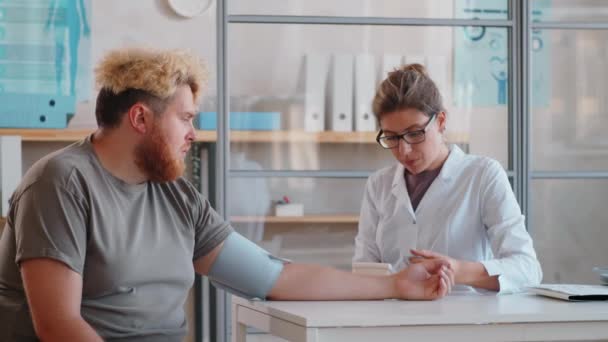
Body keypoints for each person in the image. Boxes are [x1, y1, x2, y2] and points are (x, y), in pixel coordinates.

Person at [0, 48, 454, 341]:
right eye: (185, 118)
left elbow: (274, 278)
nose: (194, 134)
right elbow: (59, 326)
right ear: (140, 119)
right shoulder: (59, 183)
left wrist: (394, 285)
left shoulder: (175, 194)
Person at [353, 63, 542, 294]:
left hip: (464, 323)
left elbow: (527, 269)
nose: (404, 151)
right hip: (391, 322)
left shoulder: (483, 175)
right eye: (391, 138)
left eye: (414, 134)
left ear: (441, 121)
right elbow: (364, 272)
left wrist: (456, 270)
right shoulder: (378, 185)